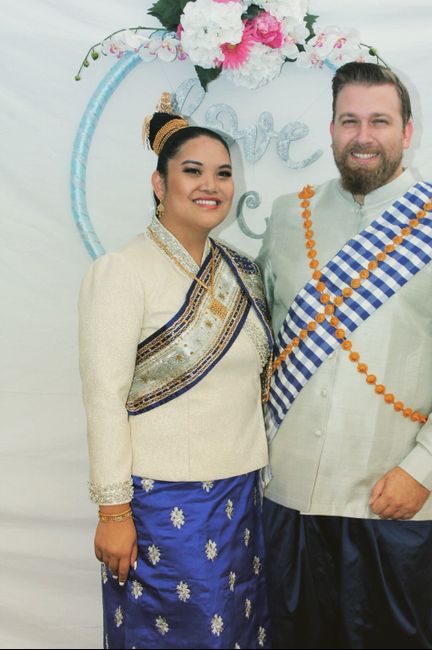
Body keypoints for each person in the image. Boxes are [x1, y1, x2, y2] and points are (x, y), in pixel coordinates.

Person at [257, 62, 432, 649]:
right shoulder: (291, 216)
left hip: (391, 494)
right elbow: (259, 341)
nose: (364, 135)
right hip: (286, 496)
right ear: (332, 129)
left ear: (406, 131)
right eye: (350, 121)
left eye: (380, 121)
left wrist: (422, 469)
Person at [79, 92, 273, 650]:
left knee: (241, 633)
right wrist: (114, 510)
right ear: (159, 184)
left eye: (223, 173)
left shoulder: (242, 271)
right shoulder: (120, 272)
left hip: (242, 496)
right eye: (193, 171)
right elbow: (103, 399)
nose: (210, 185)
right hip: (163, 505)